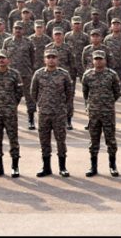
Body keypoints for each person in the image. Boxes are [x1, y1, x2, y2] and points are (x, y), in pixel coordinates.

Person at [30, 48, 74, 177]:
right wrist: (42, 103)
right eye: (48, 57)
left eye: (53, 57)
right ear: (44, 59)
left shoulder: (64, 74)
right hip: (44, 113)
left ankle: (62, 167)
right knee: (44, 141)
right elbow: (33, 93)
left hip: (59, 113)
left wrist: (62, 106)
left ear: (57, 59)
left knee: (61, 140)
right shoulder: (38, 74)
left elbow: (69, 93)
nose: (51, 59)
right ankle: (46, 167)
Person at [81, 50, 121, 177]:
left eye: (101, 59)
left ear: (105, 60)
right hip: (93, 113)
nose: (98, 61)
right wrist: (93, 105)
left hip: (108, 112)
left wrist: (108, 103)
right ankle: (93, 166)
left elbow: (117, 92)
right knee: (94, 140)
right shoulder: (87, 75)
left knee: (111, 140)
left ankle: (112, 165)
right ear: (93, 60)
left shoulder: (111, 75)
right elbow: (85, 93)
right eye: (96, 59)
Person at [0, 50, 23, 178]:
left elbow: (19, 93)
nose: (1, 60)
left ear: (8, 60)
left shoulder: (14, 74)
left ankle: (15, 166)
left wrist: (11, 104)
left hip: (10, 112)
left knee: (13, 140)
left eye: (3, 58)